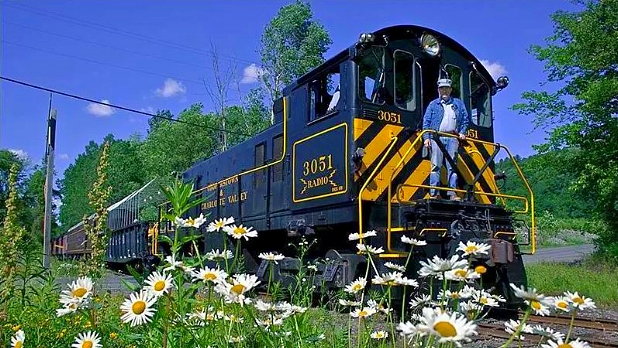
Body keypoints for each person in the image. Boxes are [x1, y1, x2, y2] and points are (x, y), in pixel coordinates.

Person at [422, 78, 469, 200]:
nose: (444, 90)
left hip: (453, 137)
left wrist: (462, 132)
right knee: (435, 165)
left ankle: (452, 193)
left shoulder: (458, 104)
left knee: (452, 166)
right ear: (438, 90)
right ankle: (434, 193)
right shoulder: (433, 104)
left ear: (450, 90)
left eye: (447, 88)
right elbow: (426, 122)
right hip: (436, 137)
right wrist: (426, 137)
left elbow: (465, 119)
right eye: (442, 88)